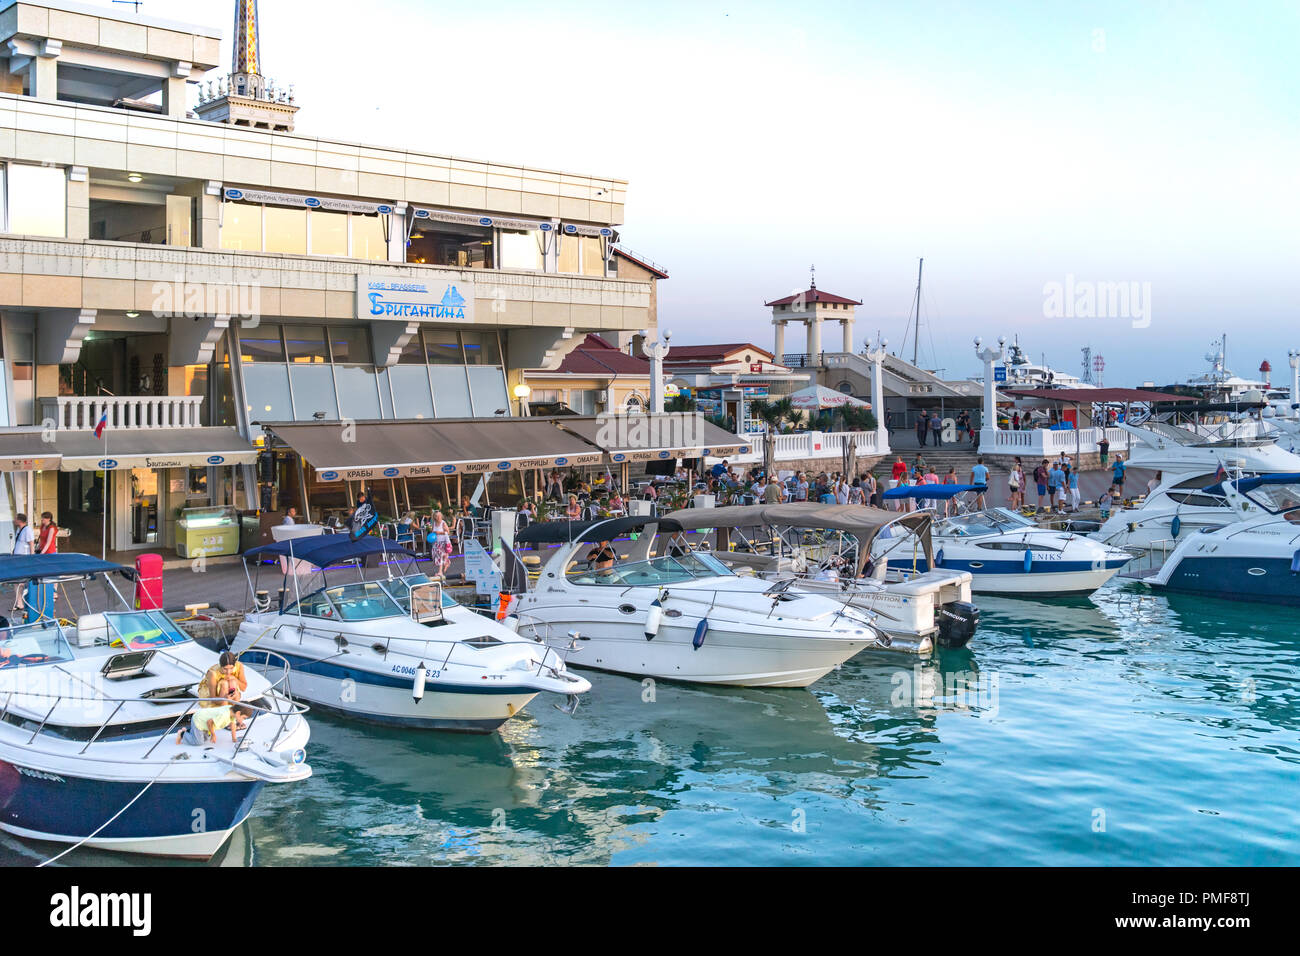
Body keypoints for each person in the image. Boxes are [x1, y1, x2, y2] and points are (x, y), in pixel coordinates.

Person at [428, 511, 452, 578]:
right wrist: (432, 532)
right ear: (434, 517)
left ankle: (440, 572)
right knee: (438, 556)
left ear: (441, 516)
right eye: (436, 516)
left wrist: (439, 532)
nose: (438, 517)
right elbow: (433, 531)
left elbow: (448, 532)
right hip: (436, 542)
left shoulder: (443, 523)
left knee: (440, 556)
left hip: (443, 542)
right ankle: (447, 562)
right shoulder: (434, 523)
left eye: (439, 516)